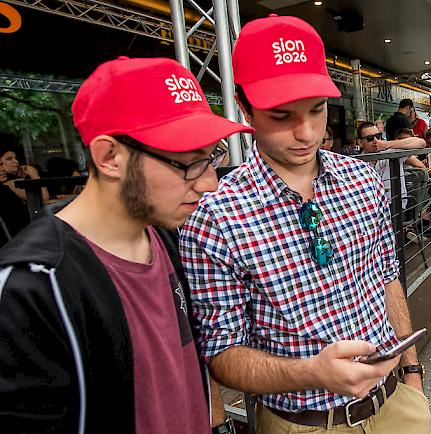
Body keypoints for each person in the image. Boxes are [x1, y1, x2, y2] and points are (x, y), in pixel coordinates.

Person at [180, 15, 430, 434]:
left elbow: (386, 277)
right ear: (244, 107)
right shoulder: (215, 216)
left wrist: (413, 372)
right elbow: (222, 353)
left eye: (317, 110)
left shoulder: (362, 178)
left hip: (396, 405)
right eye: (281, 116)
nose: (306, 132)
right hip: (304, 423)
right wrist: (313, 372)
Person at [0, 57, 253, 433]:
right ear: (109, 157)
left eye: (211, 157)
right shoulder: (32, 285)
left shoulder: (166, 234)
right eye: (187, 163)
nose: (209, 183)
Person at [357, 122, 425, 209]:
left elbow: (421, 143)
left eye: (378, 136)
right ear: (360, 142)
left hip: (394, 205)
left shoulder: (390, 151)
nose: (376, 141)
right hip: (370, 207)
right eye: (370, 138)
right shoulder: (357, 162)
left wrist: (386, 145)